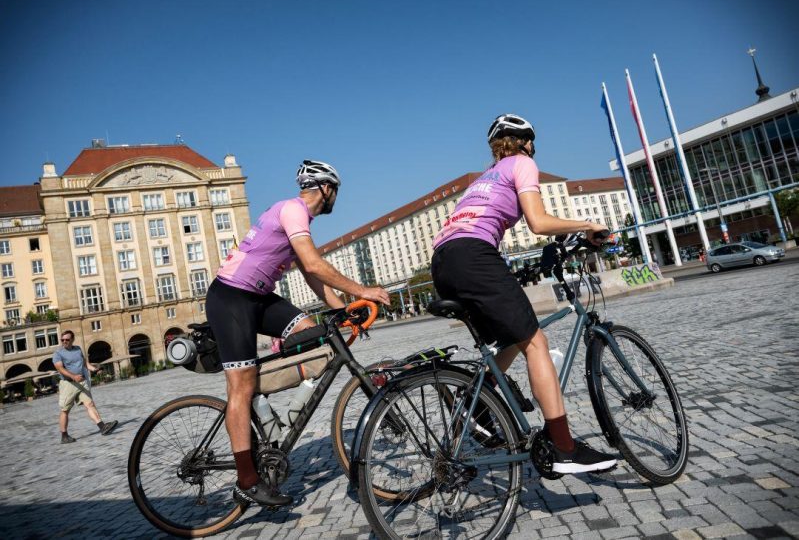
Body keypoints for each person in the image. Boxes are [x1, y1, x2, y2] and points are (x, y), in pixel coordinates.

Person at [431, 114, 616, 474]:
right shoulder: (522, 163)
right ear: (527, 142)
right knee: (535, 343)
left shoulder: (482, 178)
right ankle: (564, 448)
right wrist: (588, 224)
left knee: (512, 338)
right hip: (475, 256)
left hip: (443, 263)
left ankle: (474, 402)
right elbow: (539, 222)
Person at [205, 159, 390, 507]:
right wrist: (362, 291)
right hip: (230, 296)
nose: (336, 196)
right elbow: (317, 264)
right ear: (326, 188)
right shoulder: (292, 209)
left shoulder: (297, 218)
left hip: (258, 297)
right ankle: (247, 478)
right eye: (336, 190)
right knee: (240, 385)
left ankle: (267, 411)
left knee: (317, 336)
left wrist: (340, 312)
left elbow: (311, 274)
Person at [53, 330, 118, 443]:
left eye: (67, 340)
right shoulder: (58, 353)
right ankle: (64, 436)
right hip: (68, 384)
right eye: (62, 340)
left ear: (72, 340)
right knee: (65, 410)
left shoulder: (77, 349)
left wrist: (94, 369)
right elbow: (60, 368)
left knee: (90, 404)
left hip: (82, 382)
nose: (64, 342)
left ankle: (102, 427)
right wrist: (73, 376)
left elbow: (84, 363)